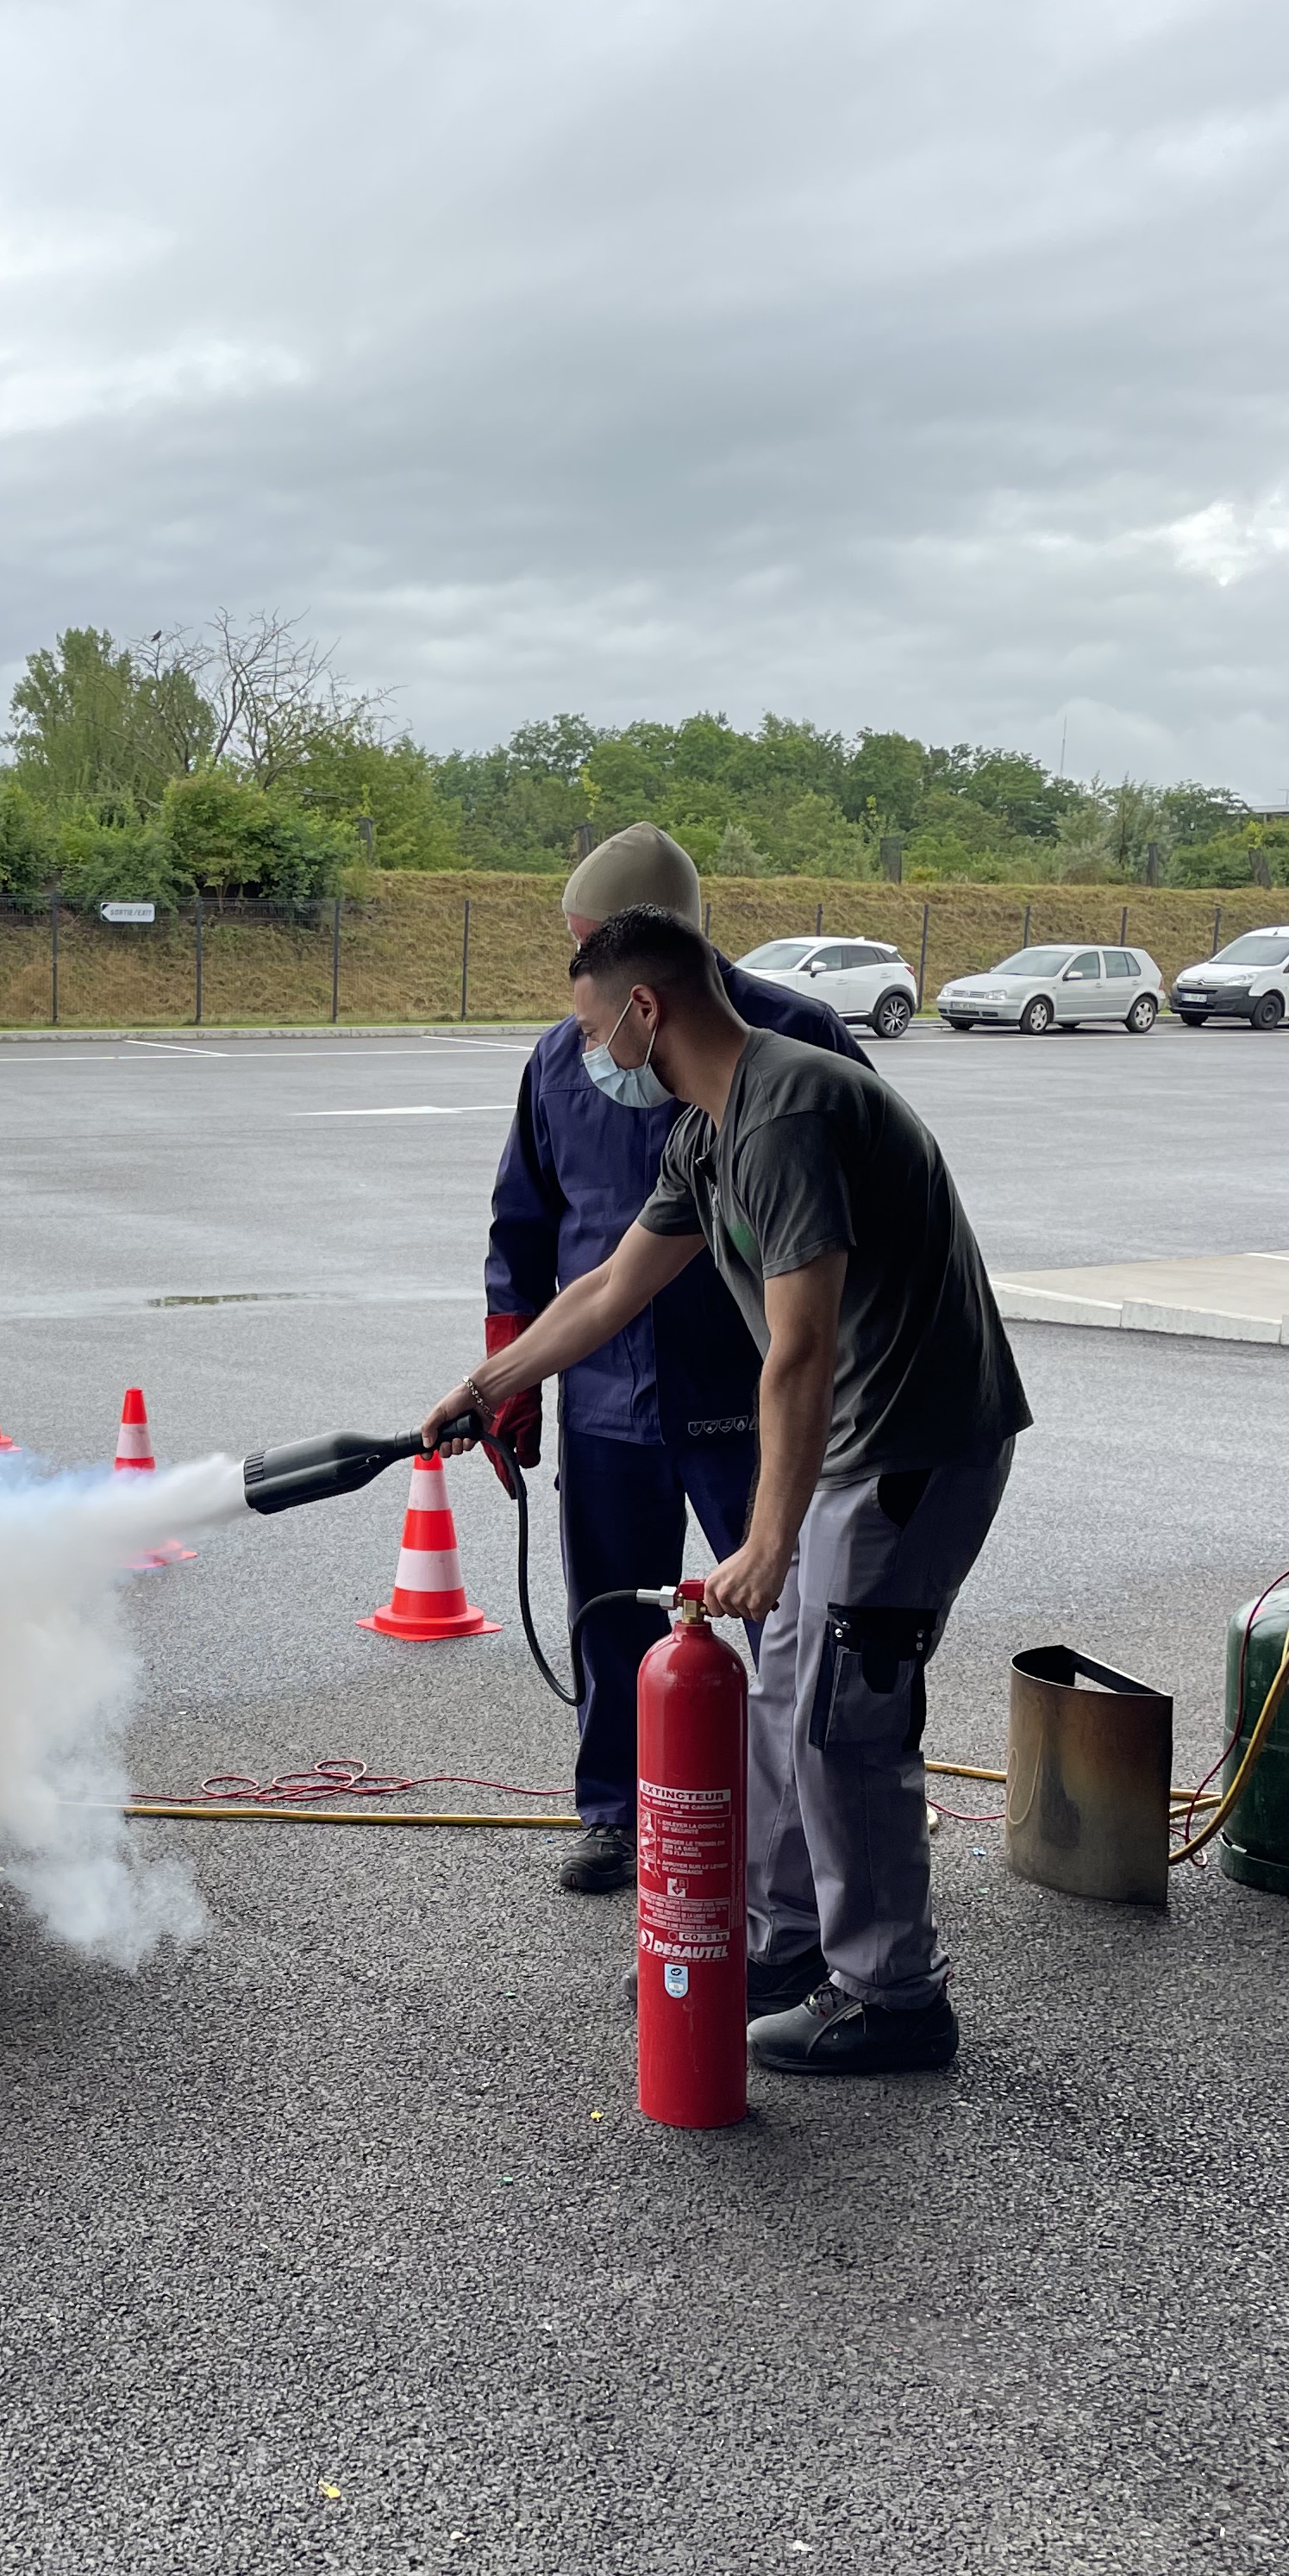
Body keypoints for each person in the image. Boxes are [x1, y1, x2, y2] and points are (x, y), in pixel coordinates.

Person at [431, 901, 1030, 2077]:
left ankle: (893, 1995)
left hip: (913, 1444)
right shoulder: (708, 1134)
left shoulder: (788, 1115)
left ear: (646, 1011)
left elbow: (798, 1350)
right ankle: (784, 1944)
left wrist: (762, 1541)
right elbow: (611, 1290)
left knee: (841, 1720)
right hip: (852, 1444)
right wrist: (485, 1385)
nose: (591, 1056)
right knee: (784, 1704)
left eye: (596, 1028)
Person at [485, 826, 859, 1898]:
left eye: (595, 951)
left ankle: (802, 1821)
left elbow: (855, 1221)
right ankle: (619, 1807)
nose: (584, 991)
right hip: (607, 1390)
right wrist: (503, 1370)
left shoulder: (796, 1041)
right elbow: (530, 1226)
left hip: (748, 1389)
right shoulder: (564, 1056)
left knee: (790, 1616)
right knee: (609, 1604)